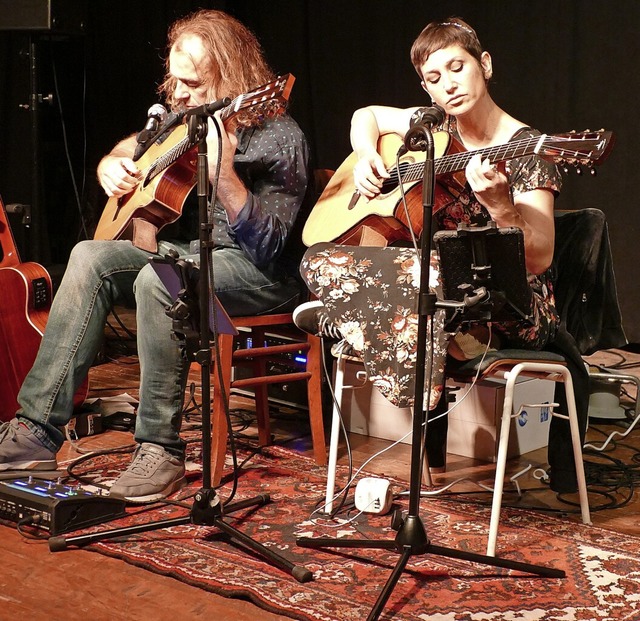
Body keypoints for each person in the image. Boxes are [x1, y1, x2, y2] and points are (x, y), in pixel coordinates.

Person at [0, 9, 311, 502]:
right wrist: (112, 164)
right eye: (174, 79)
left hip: (261, 273)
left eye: (192, 82)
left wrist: (225, 173)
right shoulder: (185, 118)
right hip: (195, 254)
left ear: (230, 78)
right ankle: (35, 431)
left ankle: (161, 450)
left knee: (160, 280)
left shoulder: (280, 135)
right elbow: (139, 144)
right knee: (88, 255)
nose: (179, 93)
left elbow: (268, 246)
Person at [296, 17, 587, 492]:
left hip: (509, 299)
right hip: (435, 292)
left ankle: (359, 313)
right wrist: (367, 153)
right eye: (434, 79)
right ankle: (382, 312)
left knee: (429, 270)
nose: (448, 85)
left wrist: (499, 205)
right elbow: (365, 115)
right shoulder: (431, 131)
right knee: (318, 258)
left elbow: (538, 258)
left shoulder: (529, 148)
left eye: (457, 68)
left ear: (484, 64)